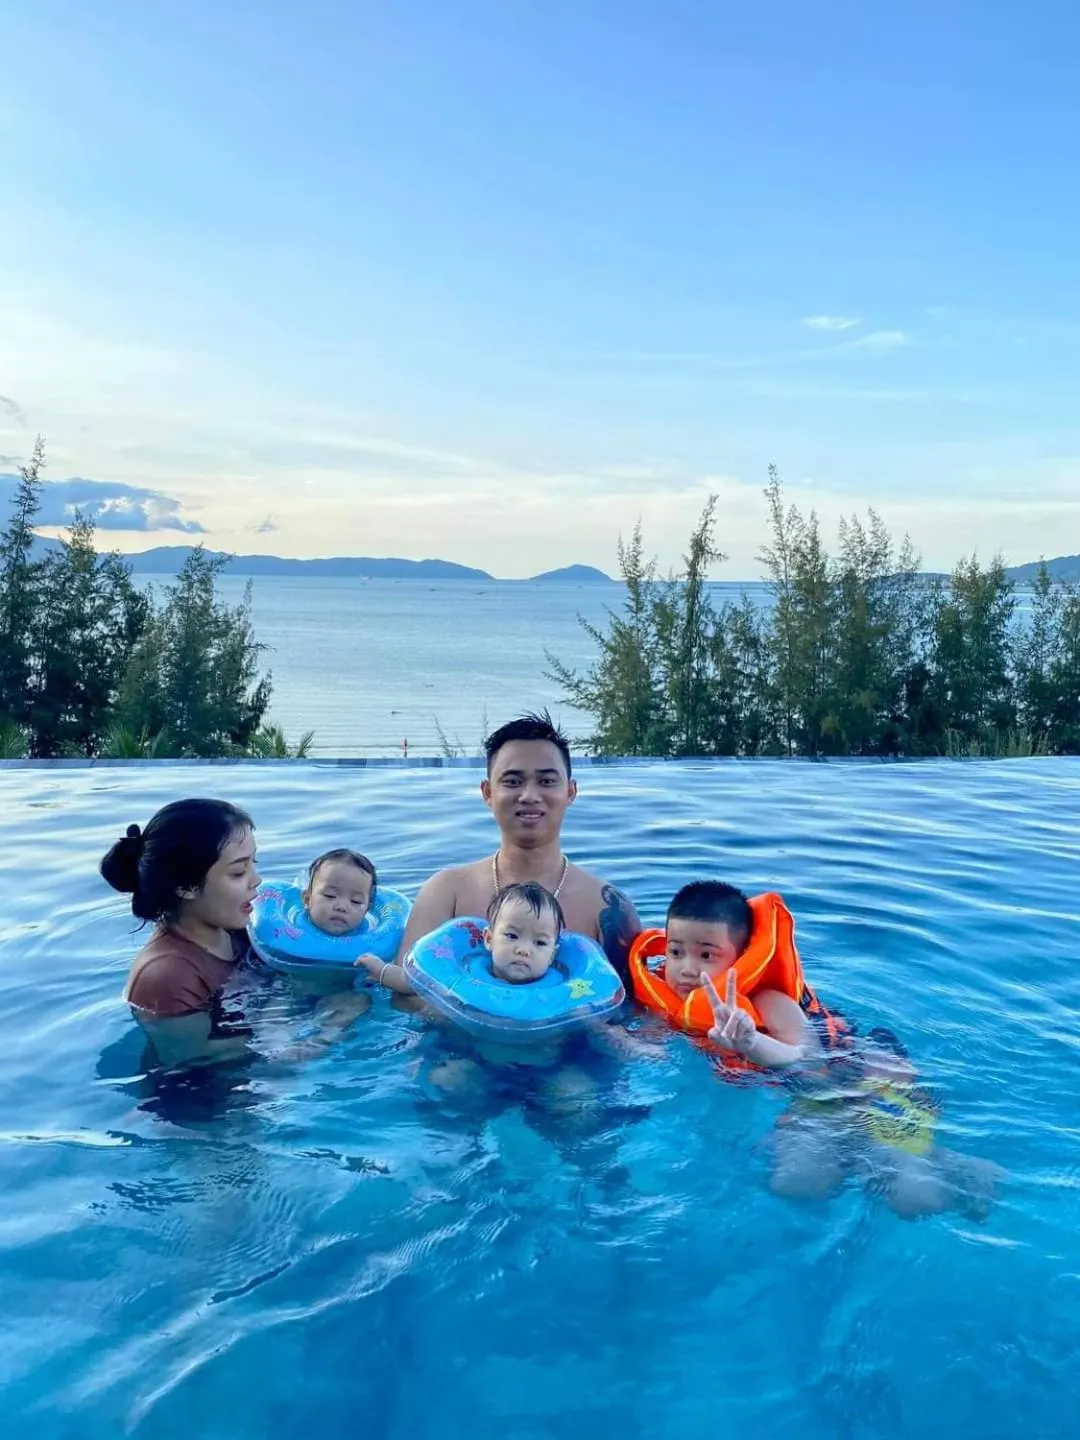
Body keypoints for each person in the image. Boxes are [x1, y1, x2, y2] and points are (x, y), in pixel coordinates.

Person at [101, 799, 367, 1069]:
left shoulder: (241, 931)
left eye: (254, 863)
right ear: (186, 887)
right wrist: (322, 1028)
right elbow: (192, 1057)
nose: (256, 879)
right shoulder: (166, 975)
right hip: (203, 1099)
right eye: (239, 872)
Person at [386, 711, 641, 992]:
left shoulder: (607, 908)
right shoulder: (447, 894)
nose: (530, 795)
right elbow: (403, 999)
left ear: (570, 792)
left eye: (546, 781)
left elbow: (635, 1015)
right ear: (487, 793)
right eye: (512, 781)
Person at [771, 1027, 1002, 1220]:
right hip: (840, 1137)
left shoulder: (919, 1097)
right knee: (795, 1182)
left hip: (889, 1151)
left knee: (972, 1179)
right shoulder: (840, 1078)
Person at [631, 880, 825, 1068]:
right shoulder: (662, 996)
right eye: (675, 952)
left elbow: (809, 1058)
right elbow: (650, 1047)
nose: (687, 969)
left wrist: (753, 1042)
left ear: (742, 956)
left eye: (706, 955)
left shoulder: (770, 1001)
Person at [303, 848, 377, 935]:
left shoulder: (377, 942)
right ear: (307, 899)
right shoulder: (286, 938)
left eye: (356, 901)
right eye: (330, 895)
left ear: (366, 910)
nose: (341, 907)